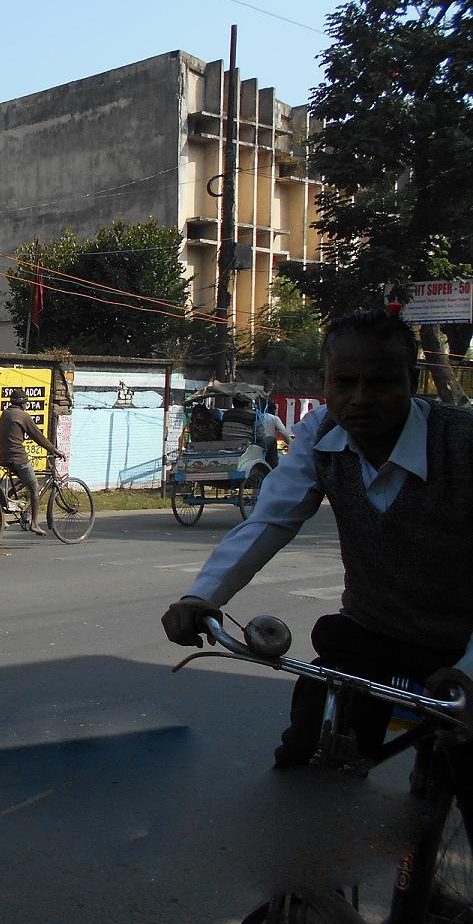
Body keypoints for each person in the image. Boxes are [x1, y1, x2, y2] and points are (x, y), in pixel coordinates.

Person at [162, 307, 473, 768]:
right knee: (305, 744)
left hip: (462, 638)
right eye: (343, 383)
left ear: (412, 381)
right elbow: (271, 519)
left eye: (383, 383)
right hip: (373, 629)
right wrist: (200, 597)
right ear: (325, 382)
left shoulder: (462, 442)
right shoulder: (320, 432)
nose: (360, 399)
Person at [0, 388, 64, 536]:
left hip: (4, 456)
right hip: (18, 457)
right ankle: (34, 523)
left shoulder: (5, 414)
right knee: (34, 486)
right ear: (23, 404)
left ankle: (10, 503)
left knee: (25, 480)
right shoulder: (23, 416)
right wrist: (55, 450)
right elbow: (38, 437)